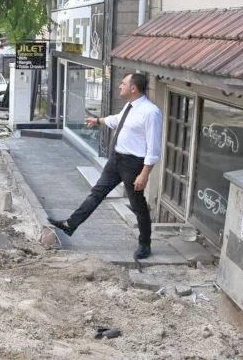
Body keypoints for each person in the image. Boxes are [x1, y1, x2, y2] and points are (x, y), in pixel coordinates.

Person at [48, 72, 162, 260]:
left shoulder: (151, 112)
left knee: (138, 205)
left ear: (133, 88)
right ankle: (70, 224)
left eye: (123, 84)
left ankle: (144, 244)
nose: (120, 86)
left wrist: (144, 174)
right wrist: (99, 120)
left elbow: (154, 147)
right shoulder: (130, 106)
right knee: (97, 192)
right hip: (116, 159)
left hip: (134, 164)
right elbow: (118, 120)